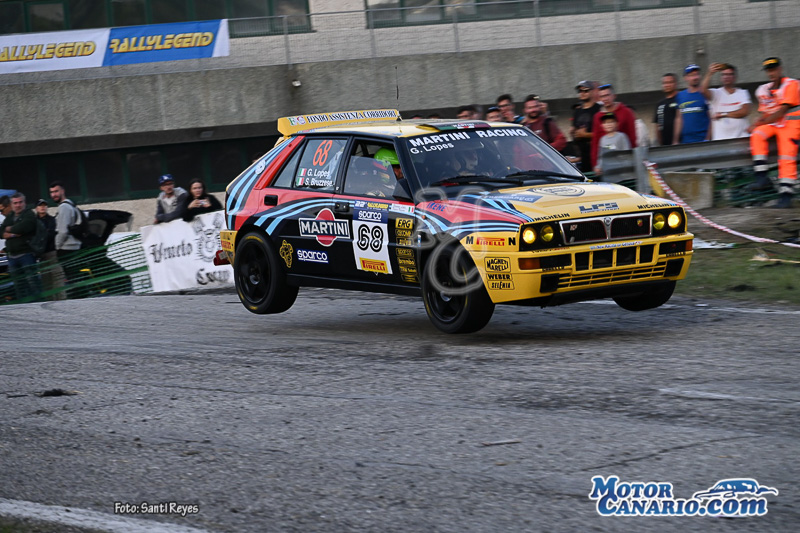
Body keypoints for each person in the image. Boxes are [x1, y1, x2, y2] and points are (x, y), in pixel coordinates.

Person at [748, 57, 800, 208]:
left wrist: (760, 122)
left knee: (786, 155)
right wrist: (756, 124)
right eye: (769, 70)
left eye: (774, 69)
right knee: (757, 134)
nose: (771, 73)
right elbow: (765, 113)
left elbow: (782, 110)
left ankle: (786, 195)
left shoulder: (791, 84)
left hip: (791, 122)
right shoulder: (763, 90)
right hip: (774, 123)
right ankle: (761, 177)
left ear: (780, 69)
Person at [0, 193, 42, 301]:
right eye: (15, 203)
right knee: (18, 285)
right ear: (12, 204)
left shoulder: (29, 214)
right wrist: (14, 234)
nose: (18, 205)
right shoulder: (10, 216)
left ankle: (37, 305)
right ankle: (23, 306)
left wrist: (8, 230)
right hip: (12, 256)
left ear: (25, 203)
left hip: (26, 255)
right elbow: (1, 231)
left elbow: (23, 228)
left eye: (20, 202)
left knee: (32, 283)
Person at [49, 181, 84, 297]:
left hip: (67, 249)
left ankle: (77, 300)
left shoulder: (64, 207)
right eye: (51, 192)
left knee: (73, 280)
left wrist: (57, 247)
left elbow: (63, 231)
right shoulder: (71, 205)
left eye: (56, 191)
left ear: (63, 191)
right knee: (75, 279)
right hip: (73, 247)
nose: (54, 195)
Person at [590, 84, 637, 170]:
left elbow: (632, 137)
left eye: (607, 95)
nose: (605, 99)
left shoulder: (626, 112)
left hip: (624, 161)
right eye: (602, 96)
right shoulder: (597, 116)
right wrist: (596, 164)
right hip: (606, 163)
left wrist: (632, 160)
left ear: (614, 96)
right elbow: (595, 141)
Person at [701, 62, 752, 140]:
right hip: (721, 140)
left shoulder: (742, 92)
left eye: (729, 74)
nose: (726, 77)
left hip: (742, 138)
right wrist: (709, 73)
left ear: (734, 77)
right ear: (721, 77)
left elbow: (745, 111)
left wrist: (723, 114)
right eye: (724, 74)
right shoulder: (716, 93)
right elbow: (702, 90)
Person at [35, 198, 66, 301]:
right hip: (41, 255)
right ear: (36, 208)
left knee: (57, 278)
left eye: (44, 205)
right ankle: (50, 301)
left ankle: (61, 300)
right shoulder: (34, 222)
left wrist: (42, 236)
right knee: (46, 281)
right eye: (40, 205)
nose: (43, 207)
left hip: (52, 253)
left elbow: (52, 234)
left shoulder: (52, 220)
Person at [673, 64, 711, 144]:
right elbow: (678, 118)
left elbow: (711, 118)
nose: (695, 77)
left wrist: (708, 138)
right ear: (685, 78)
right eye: (692, 75)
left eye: (697, 74)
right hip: (685, 141)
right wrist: (675, 140)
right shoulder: (680, 95)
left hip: (703, 140)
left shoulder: (705, 93)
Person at [571, 80, 602, 172]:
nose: (583, 93)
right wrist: (574, 133)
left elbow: (603, 133)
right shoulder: (577, 111)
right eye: (580, 91)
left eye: (586, 91)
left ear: (592, 92)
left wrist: (585, 135)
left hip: (597, 155)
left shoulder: (599, 109)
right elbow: (575, 130)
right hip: (582, 156)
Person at [653, 73, 679, 146]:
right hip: (665, 145)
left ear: (676, 84)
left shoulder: (681, 99)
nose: (667, 85)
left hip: (681, 143)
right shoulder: (660, 103)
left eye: (670, 82)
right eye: (664, 83)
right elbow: (658, 125)